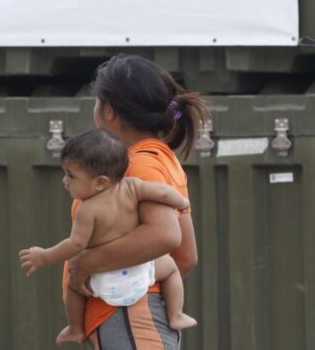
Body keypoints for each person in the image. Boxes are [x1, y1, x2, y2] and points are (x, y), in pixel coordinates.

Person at [64, 54, 210, 349]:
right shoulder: (160, 160)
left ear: (109, 111)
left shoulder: (138, 165)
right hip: (129, 317)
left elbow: (165, 235)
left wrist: (86, 265)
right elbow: (186, 255)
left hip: (129, 318)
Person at [19, 129, 197, 345]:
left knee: (74, 284)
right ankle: (176, 313)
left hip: (105, 281)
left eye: (70, 175)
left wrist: (45, 256)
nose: (65, 181)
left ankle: (74, 328)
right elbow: (162, 192)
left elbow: (75, 244)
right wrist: (182, 203)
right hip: (140, 274)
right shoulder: (133, 187)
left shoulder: (88, 209)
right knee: (170, 268)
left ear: (100, 182)